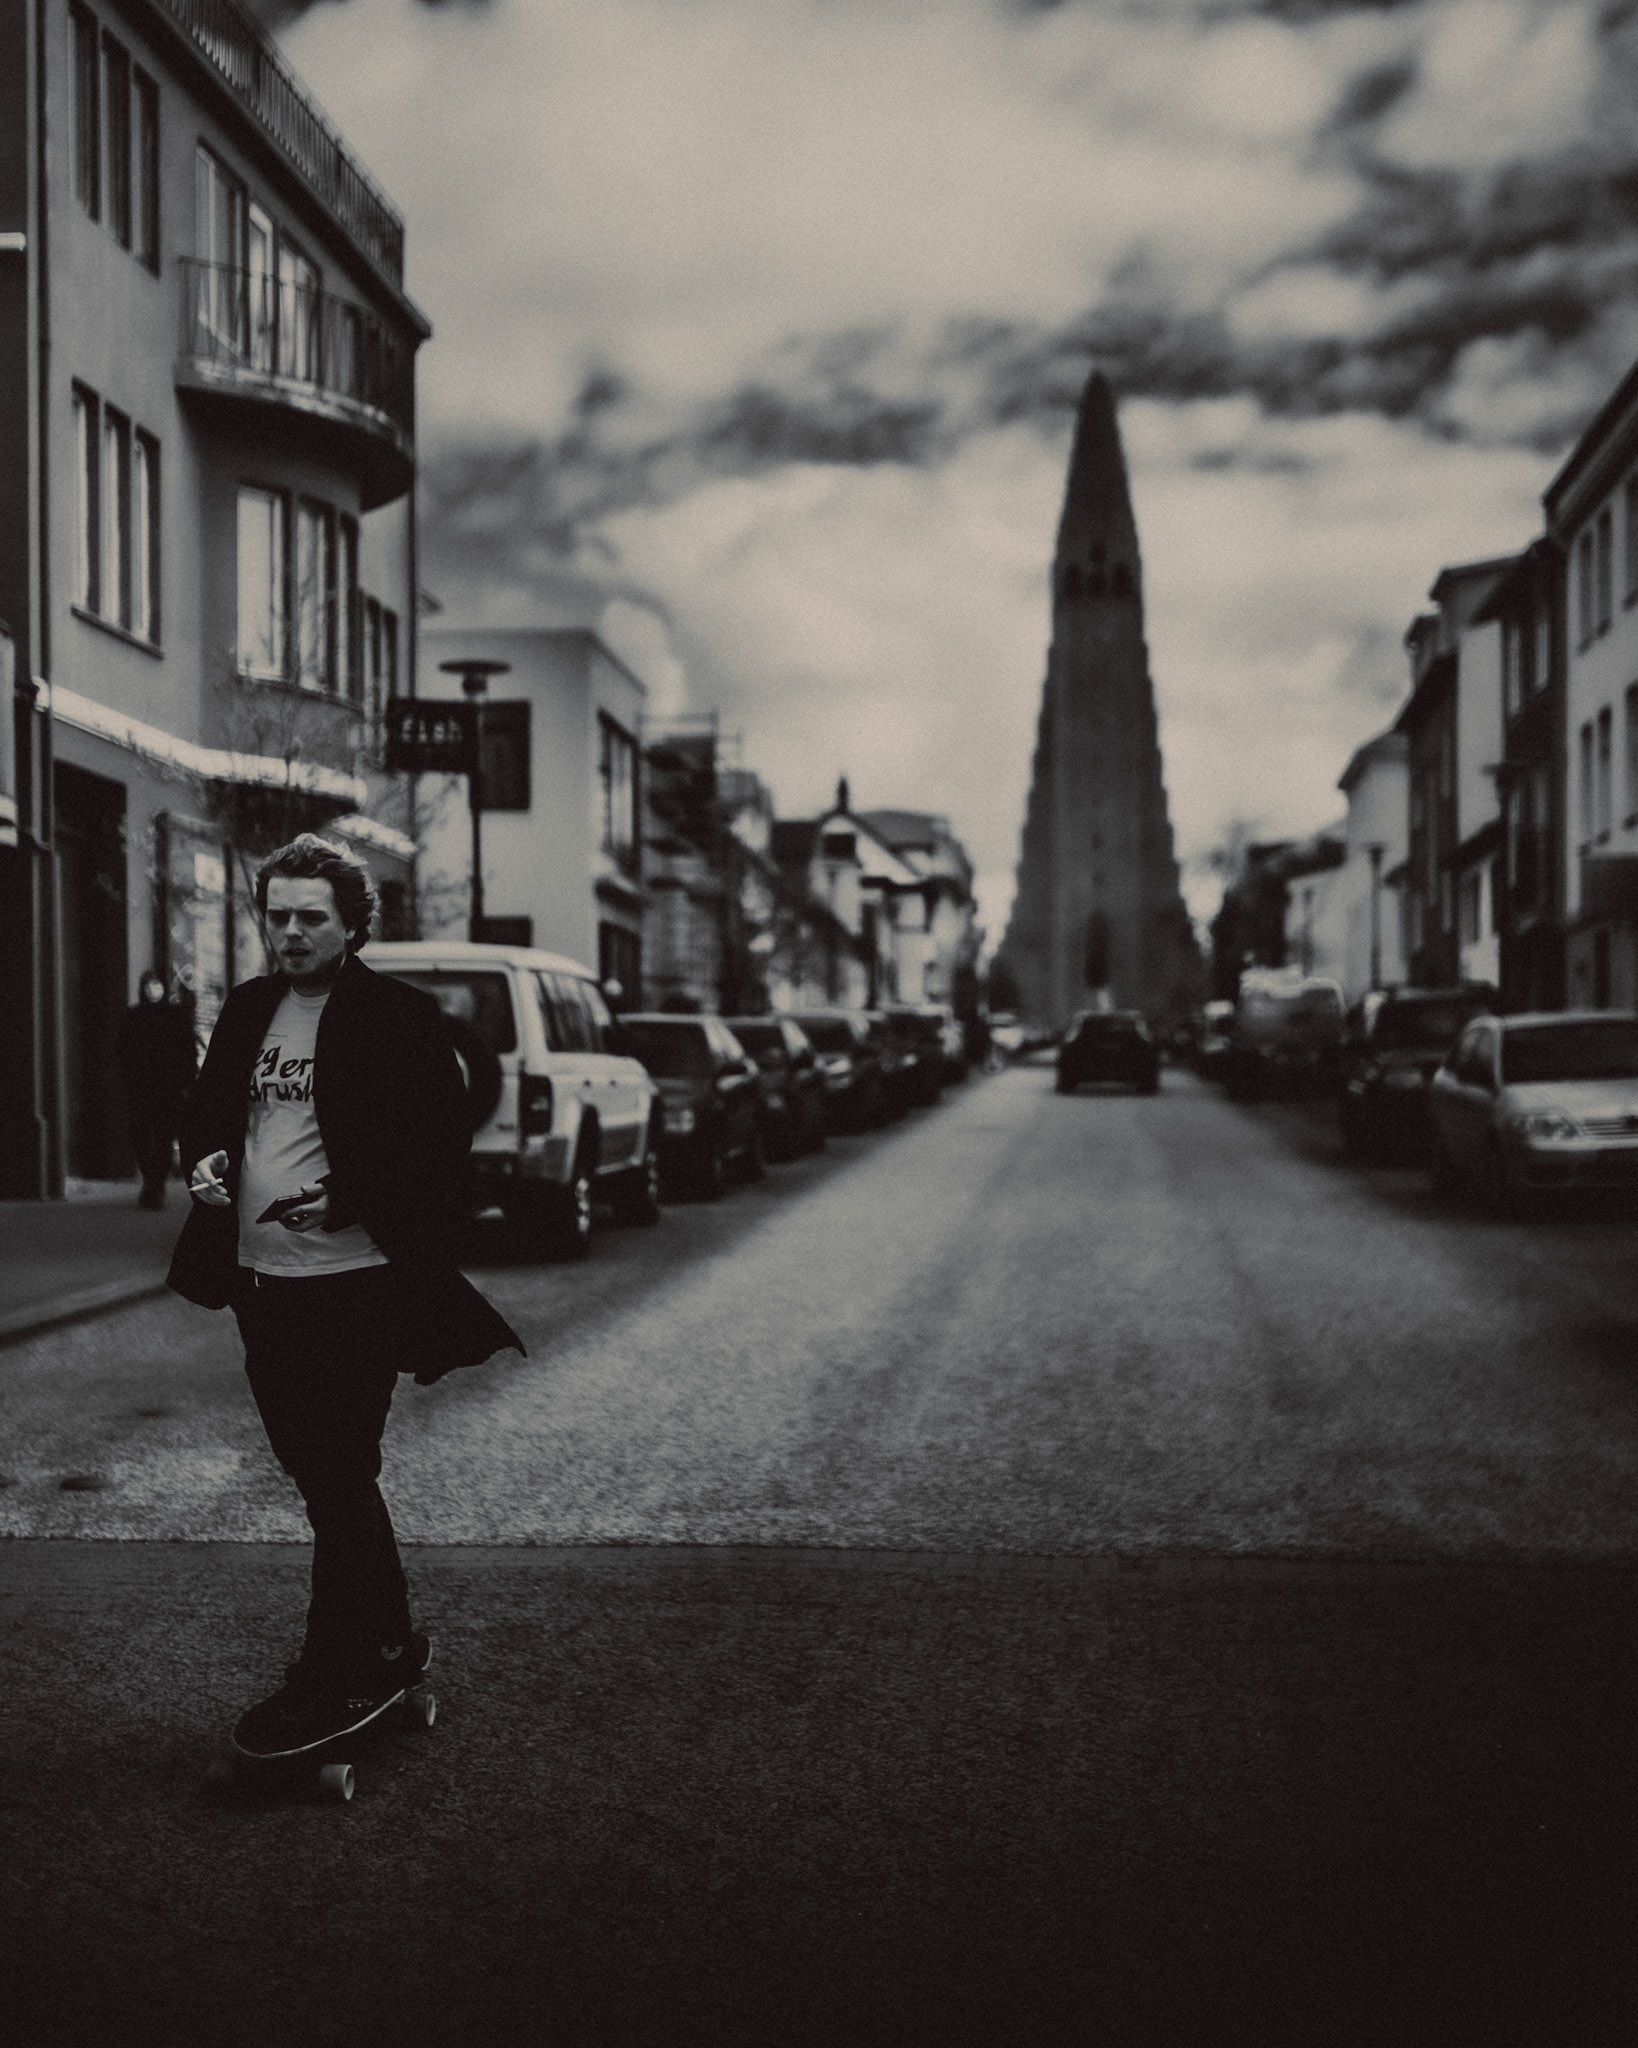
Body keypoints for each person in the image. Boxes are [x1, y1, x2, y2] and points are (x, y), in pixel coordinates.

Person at [167, 833, 522, 1753]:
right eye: (275, 916)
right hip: (261, 1280)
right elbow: (208, 1116)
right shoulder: (248, 1010)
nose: (288, 933)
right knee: (323, 1473)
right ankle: (390, 1640)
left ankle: (332, 1669)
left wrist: (353, 1196)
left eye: (309, 918)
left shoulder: (399, 1017)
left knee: (336, 1469)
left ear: (353, 924)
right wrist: (203, 1162)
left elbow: (439, 1151)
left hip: (357, 1283)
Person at [118, 972, 197, 1208]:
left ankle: (155, 1185)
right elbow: (121, 1050)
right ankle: (150, 1180)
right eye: (148, 985)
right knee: (140, 1136)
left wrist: (186, 1080)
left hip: (168, 1088)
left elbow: (187, 1050)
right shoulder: (133, 1017)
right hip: (140, 1088)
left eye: (157, 985)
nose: (153, 990)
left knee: (163, 1137)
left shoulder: (176, 1016)